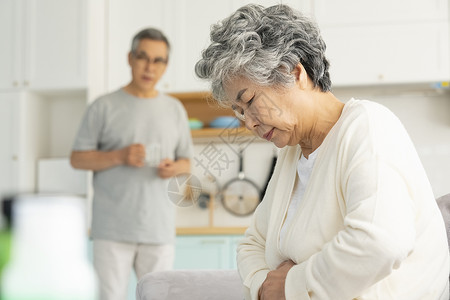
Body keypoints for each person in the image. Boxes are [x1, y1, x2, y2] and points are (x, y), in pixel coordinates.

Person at [195, 4, 449, 300]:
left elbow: (380, 242)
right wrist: (266, 287)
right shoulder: (292, 154)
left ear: (294, 72)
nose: (248, 122)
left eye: (250, 100)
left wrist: (292, 285)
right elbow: (251, 244)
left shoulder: (367, 125)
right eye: (238, 112)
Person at [71, 28, 193, 300]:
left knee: (159, 297)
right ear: (130, 58)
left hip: (158, 228)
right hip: (112, 229)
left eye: (158, 60)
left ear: (165, 65)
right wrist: (119, 156)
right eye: (143, 57)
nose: (150, 67)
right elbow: (77, 158)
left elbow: (187, 162)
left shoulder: (175, 109)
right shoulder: (103, 106)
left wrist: (174, 168)